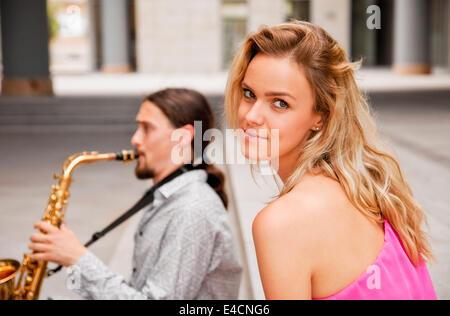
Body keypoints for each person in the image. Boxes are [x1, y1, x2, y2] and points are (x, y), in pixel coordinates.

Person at [224, 21, 436, 299]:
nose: (251, 116)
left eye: (280, 103)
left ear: (321, 115)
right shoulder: (368, 190)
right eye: (249, 93)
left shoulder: (281, 224)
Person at [29, 88, 242, 299]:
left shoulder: (192, 210)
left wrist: (77, 258)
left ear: (183, 136)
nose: (135, 139)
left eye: (146, 128)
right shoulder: (170, 199)